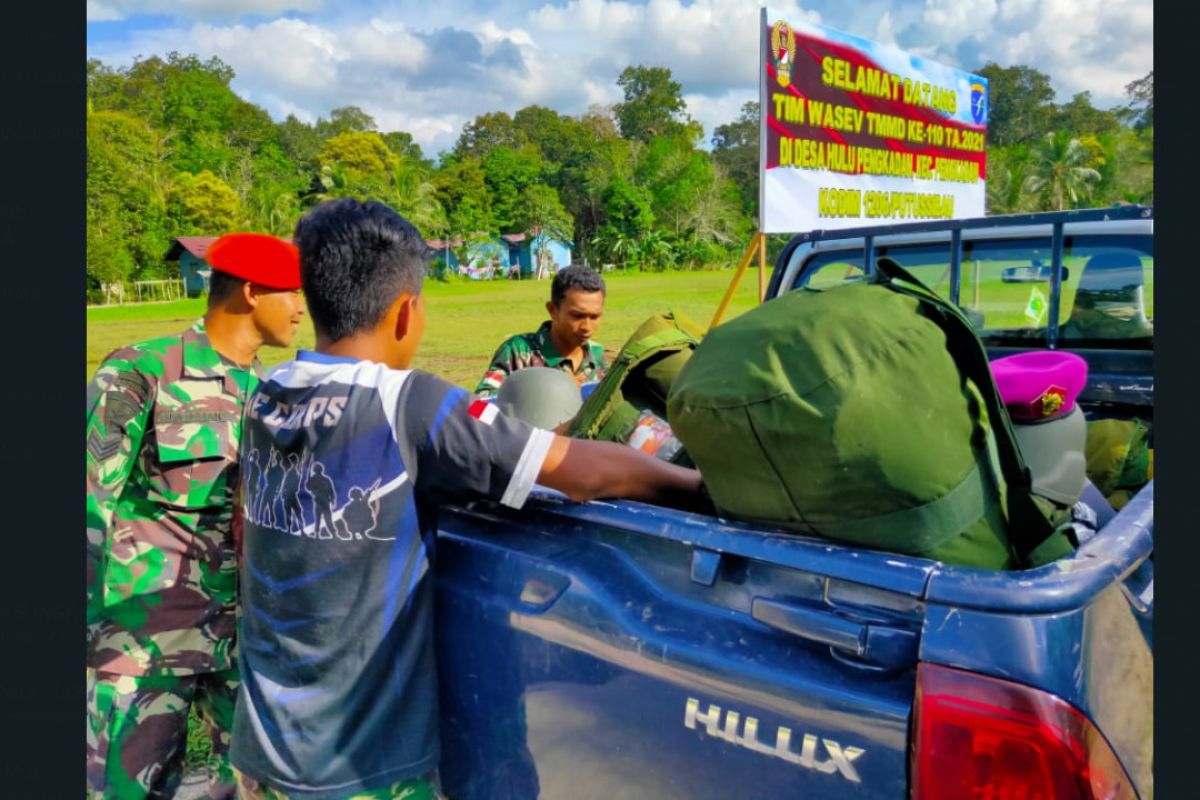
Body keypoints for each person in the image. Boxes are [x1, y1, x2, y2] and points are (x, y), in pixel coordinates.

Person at [231, 198, 702, 800]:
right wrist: (695, 484)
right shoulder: (409, 402)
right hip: (360, 764)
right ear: (406, 312)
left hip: (265, 743)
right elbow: (580, 473)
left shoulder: (268, 392)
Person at [86, 233, 305, 799]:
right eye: (293, 292)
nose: (302, 307)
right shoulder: (145, 371)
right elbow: (88, 501)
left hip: (246, 641)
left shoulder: (278, 393)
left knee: (257, 787)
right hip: (144, 637)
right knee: (126, 789)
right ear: (254, 292)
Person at [475, 264, 608, 398]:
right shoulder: (518, 352)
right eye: (577, 316)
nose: (587, 326)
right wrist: (549, 391)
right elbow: (476, 408)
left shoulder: (596, 354)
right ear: (552, 311)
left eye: (595, 316)